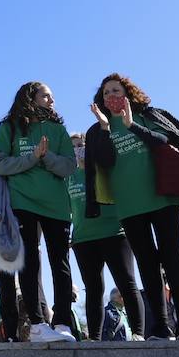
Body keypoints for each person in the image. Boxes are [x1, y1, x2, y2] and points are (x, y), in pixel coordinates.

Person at [87, 74, 179, 340]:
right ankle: (160, 327)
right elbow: (105, 163)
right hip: (129, 205)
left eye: (115, 90)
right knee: (147, 265)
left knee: (173, 257)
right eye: (106, 93)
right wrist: (107, 128)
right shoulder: (97, 130)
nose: (111, 96)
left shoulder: (149, 115)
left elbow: (169, 142)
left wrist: (132, 125)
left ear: (128, 93)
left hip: (163, 197)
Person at [0, 81, 78, 343]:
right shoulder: (9, 128)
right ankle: (38, 324)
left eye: (52, 96)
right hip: (22, 202)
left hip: (57, 205)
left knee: (60, 262)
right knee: (29, 264)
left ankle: (62, 322)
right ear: (30, 97)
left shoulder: (58, 129)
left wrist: (46, 156)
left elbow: (69, 166)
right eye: (46, 96)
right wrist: (31, 158)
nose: (52, 101)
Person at [67, 131, 142, 341]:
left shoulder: (104, 168)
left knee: (126, 283)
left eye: (81, 144)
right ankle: (95, 339)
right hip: (83, 239)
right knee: (93, 289)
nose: (78, 149)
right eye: (73, 147)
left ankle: (138, 334)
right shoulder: (67, 177)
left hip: (114, 233)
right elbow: (65, 210)